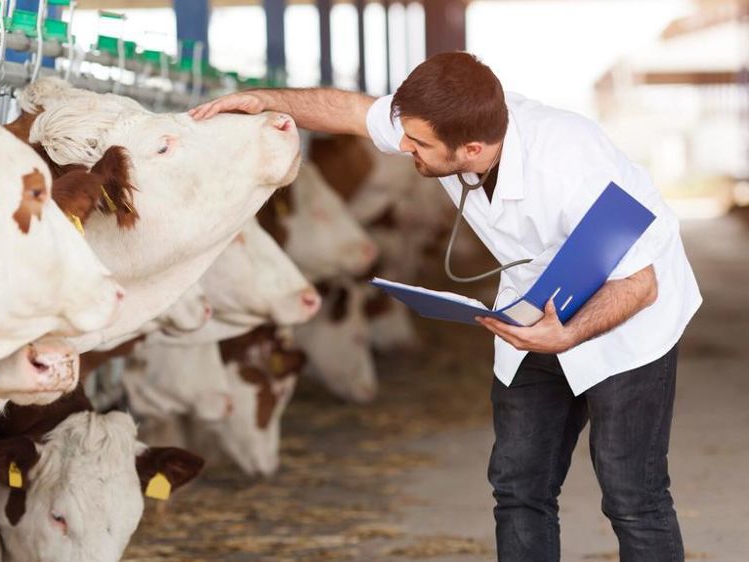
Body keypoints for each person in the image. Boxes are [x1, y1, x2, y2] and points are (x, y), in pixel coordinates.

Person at [191, 51, 701, 562]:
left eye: (417, 144)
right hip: (534, 304)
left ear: (472, 148)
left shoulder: (571, 164)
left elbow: (640, 283)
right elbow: (348, 111)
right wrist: (264, 101)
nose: (403, 149)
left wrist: (567, 335)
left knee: (632, 494)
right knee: (519, 484)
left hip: (627, 323)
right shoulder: (441, 126)